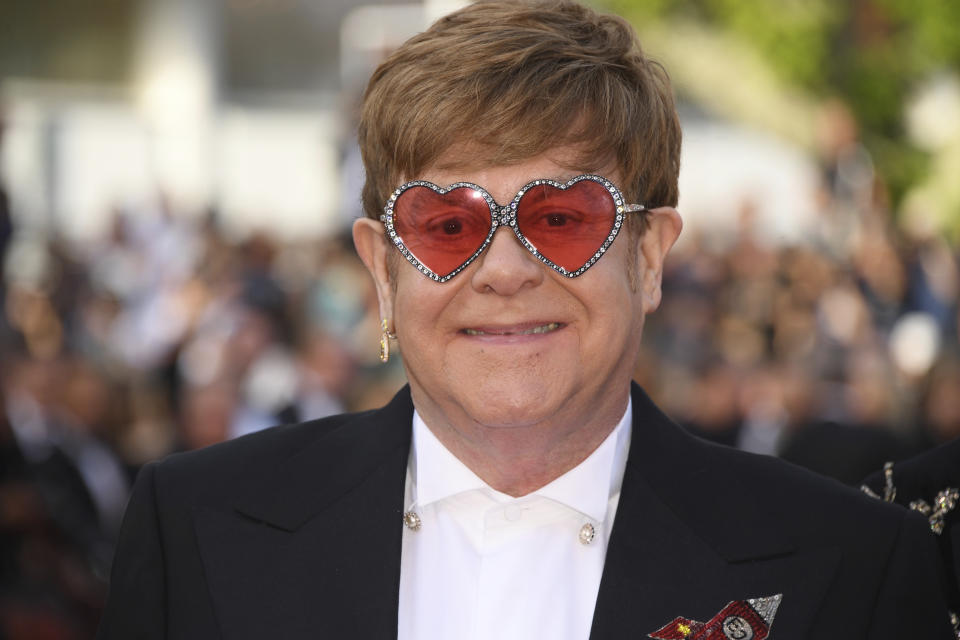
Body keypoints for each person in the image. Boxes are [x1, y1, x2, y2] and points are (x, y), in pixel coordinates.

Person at [97, 2, 955, 638]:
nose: (504, 271)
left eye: (561, 218)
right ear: (382, 269)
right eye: (448, 225)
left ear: (649, 256)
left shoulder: (853, 563)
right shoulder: (195, 526)